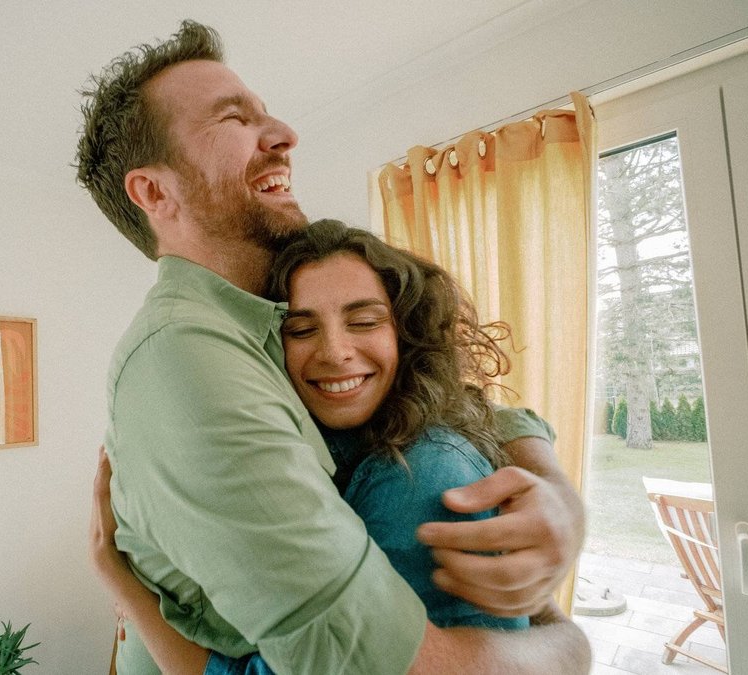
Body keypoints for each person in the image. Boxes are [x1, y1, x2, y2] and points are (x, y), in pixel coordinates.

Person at [75, 20, 588, 674]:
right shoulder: (187, 355)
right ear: (153, 191)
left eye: (362, 320)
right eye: (234, 118)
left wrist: (555, 490)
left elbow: (442, 398)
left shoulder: (258, 320)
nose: (285, 134)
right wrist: (568, 644)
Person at [90, 219, 561, 674]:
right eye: (301, 329)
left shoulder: (424, 471)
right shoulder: (303, 437)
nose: (335, 351)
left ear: (404, 333)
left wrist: (119, 578)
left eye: (364, 321)